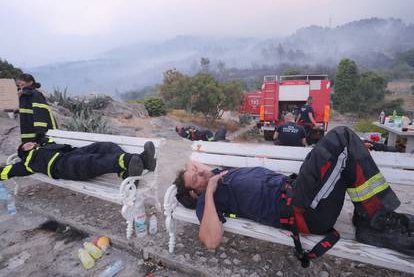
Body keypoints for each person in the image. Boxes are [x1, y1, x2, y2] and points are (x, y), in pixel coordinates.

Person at [173, 126, 414, 266]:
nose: (200, 173)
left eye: (197, 170)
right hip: (304, 211)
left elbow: (190, 159)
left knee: (341, 149)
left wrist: (199, 171)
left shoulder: (217, 173)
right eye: (196, 179)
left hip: (299, 191)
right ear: (196, 192)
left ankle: (371, 217)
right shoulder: (207, 200)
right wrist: (210, 189)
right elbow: (210, 240)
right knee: (341, 140)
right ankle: (377, 221)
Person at [0, 139, 156, 182]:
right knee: (92, 161)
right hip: (62, 167)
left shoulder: (45, 146)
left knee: (104, 146)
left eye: (32, 142)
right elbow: (8, 171)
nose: (32, 143)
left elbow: (63, 147)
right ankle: (133, 161)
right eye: (28, 144)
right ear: (23, 152)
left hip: (72, 154)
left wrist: (45, 143)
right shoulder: (27, 162)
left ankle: (131, 171)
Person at [17, 73, 58, 144]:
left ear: (30, 82)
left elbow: (40, 113)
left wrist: (40, 133)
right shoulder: (24, 95)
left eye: (22, 80)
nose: (19, 82)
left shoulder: (34, 94)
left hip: (36, 134)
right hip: (28, 133)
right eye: (19, 80)